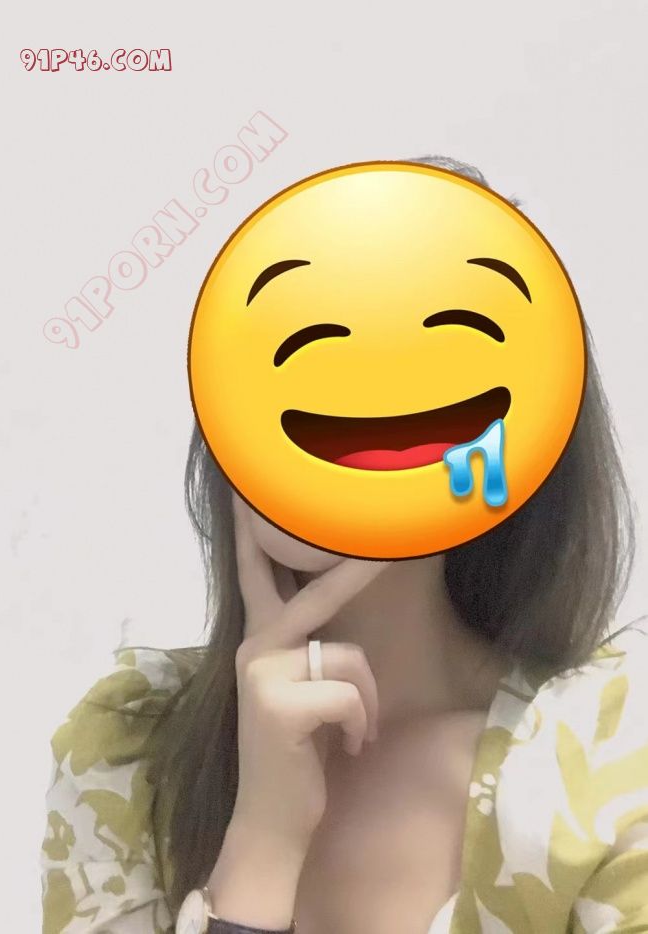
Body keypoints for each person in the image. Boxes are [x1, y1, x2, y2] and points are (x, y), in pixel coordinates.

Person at [40, 156, 648, 934]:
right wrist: (262, 843)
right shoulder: (125, 760)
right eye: (304, 336)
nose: (354, 377)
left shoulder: (607, 761)